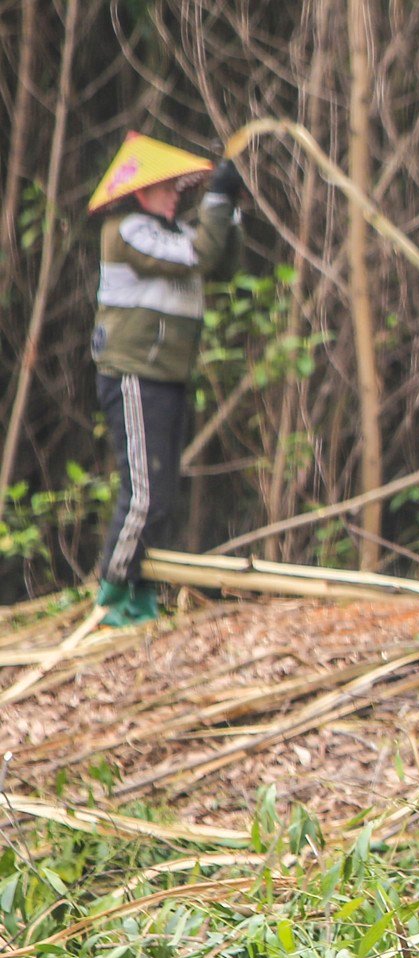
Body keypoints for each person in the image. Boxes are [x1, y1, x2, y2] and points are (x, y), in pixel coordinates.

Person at [86, 132, 246, 626]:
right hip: (134, 372)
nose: (177, 194)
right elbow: (200, 254)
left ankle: (141, 594)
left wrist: (229, 208)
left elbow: (218, 260)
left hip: (167, 375)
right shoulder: (129, 229)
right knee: (144, 494)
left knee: (164, 495)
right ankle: (111, 593)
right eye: (167, 188)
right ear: (140, 191)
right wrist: (215, 200)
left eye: (181, 188)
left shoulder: (172, 234)